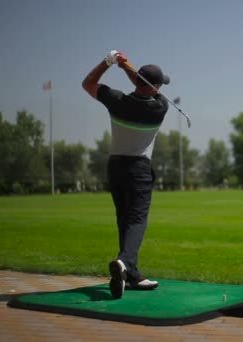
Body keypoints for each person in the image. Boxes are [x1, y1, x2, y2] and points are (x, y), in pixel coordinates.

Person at [82, 50, 170, 299]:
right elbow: (145, 87)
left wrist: (110, 63)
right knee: (137, 220)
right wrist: (127, 67)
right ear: (155, 87)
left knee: (124, 219)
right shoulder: (160, 107)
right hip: (139, 169)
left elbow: (87, 84)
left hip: (116, 167)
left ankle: (131, 274)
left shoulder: (116, 100)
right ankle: (123, 262)